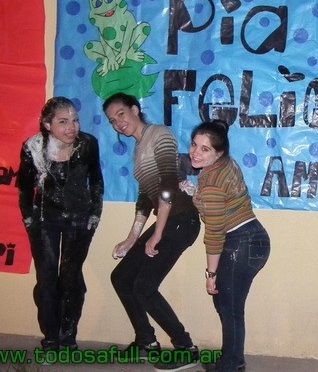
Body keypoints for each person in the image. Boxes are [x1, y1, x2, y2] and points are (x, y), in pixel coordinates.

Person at [102, 92, 200, 371]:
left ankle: (186, 348)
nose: (118, 123)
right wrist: (131, 238)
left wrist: (157, 234)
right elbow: (146, 197)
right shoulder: (138, 149)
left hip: (182, 221)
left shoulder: (160, 135)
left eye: (121, 114)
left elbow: (168, 185)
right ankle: (146, 341)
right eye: (112, 120)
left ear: (135, 109)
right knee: (122, 278)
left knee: (144, 287)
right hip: (168, 222)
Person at [17, 96, 104, 352]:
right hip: (45, 221)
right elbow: (24, 188)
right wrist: (30, 221)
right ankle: (51, 337)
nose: (72, 127)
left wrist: (94, 217)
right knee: (46, 280)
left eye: (75, 120)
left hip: (80, 220)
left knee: (71, 278)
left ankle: (68, 337)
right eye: (63, 121)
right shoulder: (33, 147)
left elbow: (96, 182)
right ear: (47, 124)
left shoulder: (88, 144)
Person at [189, 120, 271, 372]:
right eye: (194, 145)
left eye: (205, 149)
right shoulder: (224, 165)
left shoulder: (213, 179)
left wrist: (211, 274)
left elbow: (214, 232)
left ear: (219, 152)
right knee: (226, 305)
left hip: (240, 242)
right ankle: (233, 360)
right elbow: (218, 205)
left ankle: (230, 365)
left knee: (230, 308)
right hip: (249, 238)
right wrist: (196, 193)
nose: (195, 152)